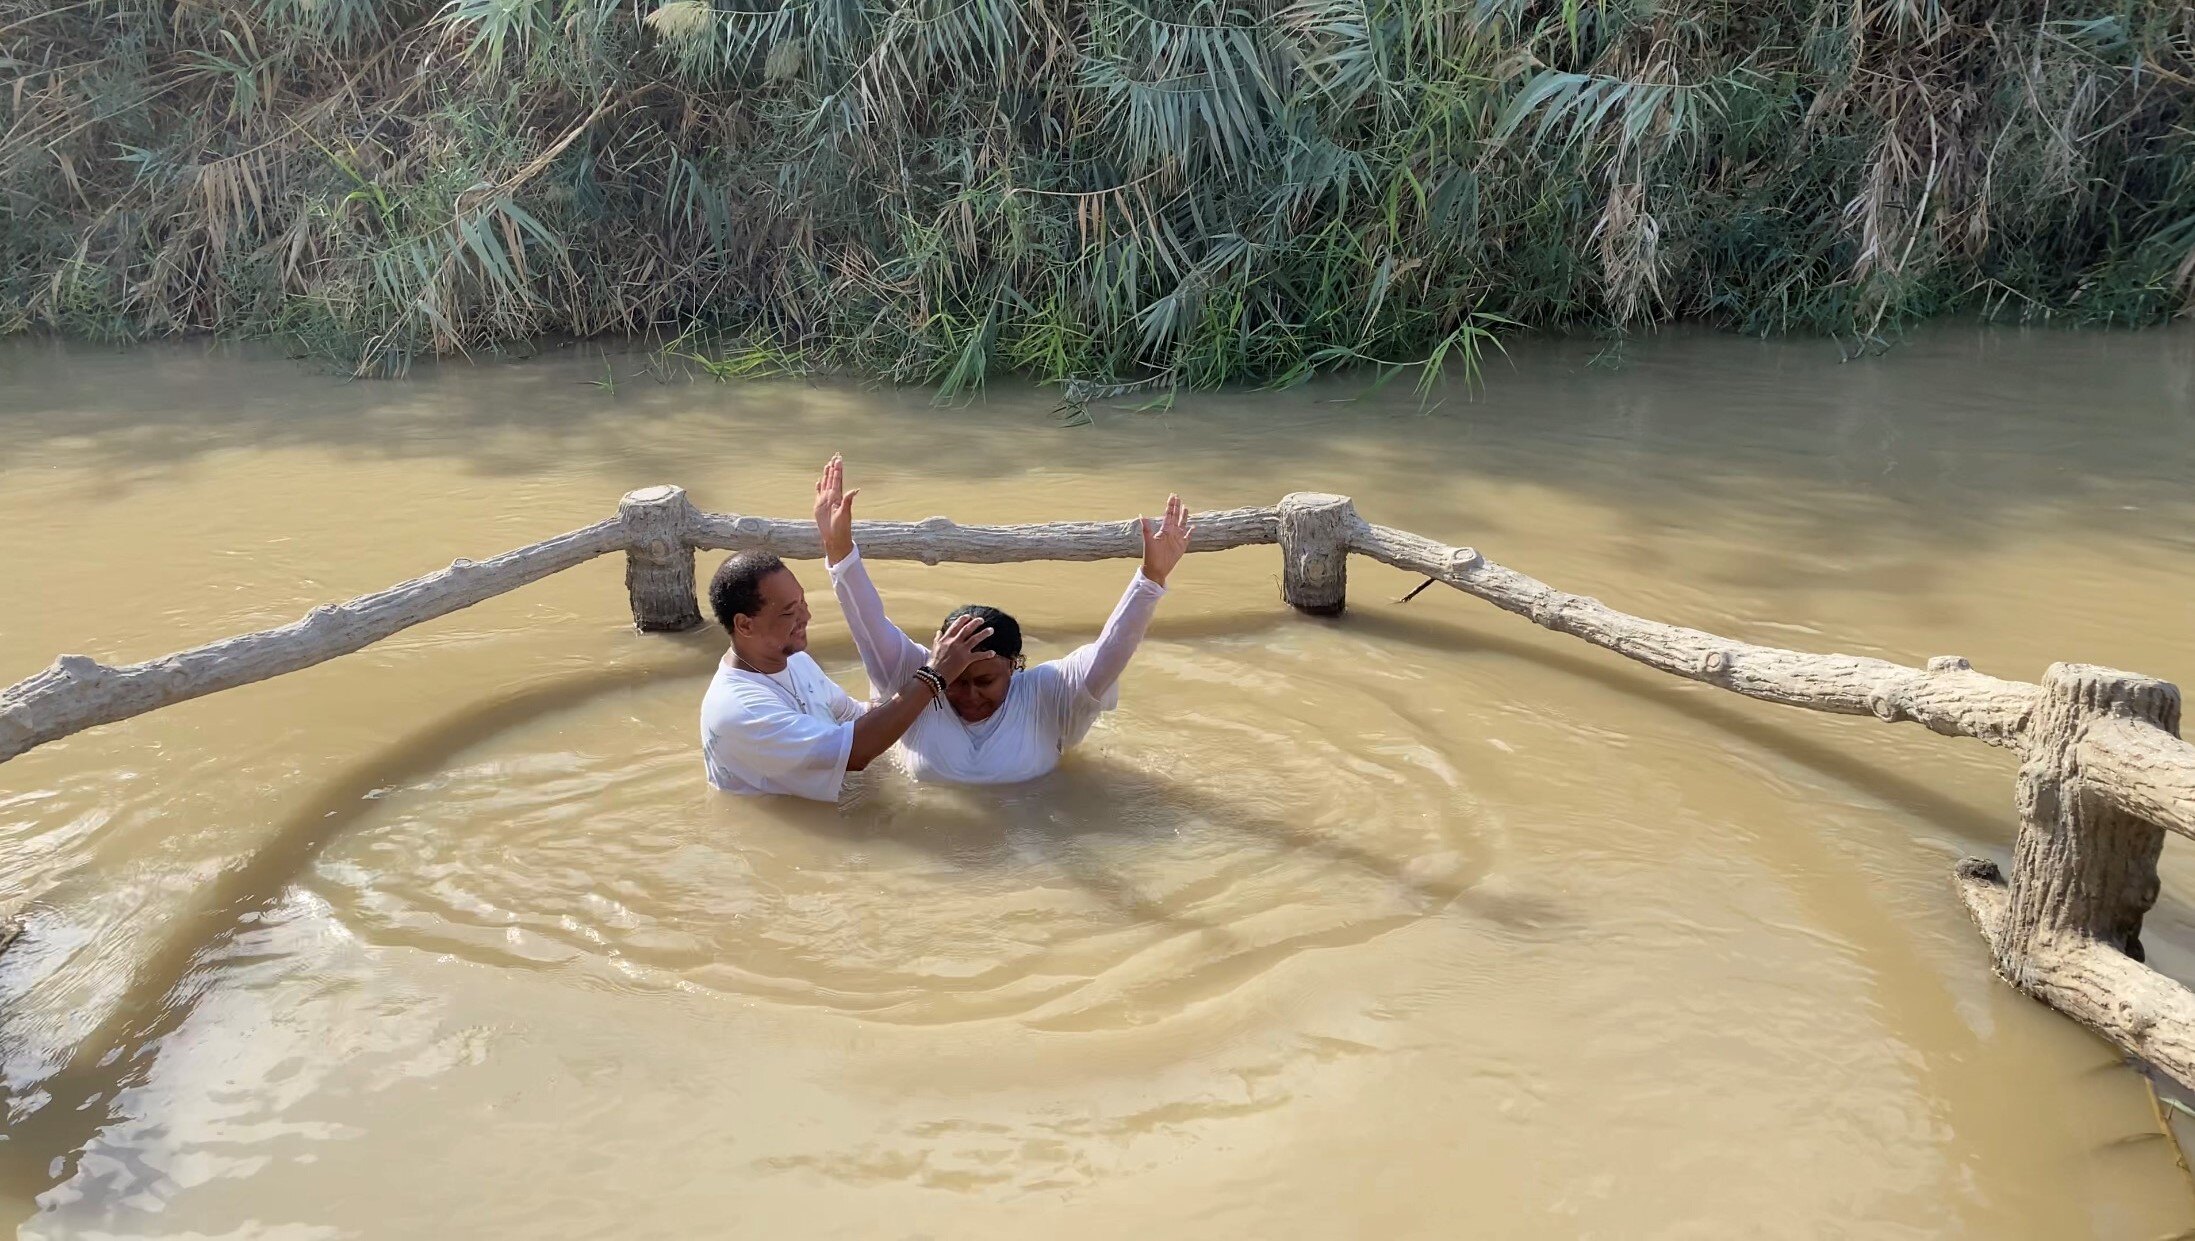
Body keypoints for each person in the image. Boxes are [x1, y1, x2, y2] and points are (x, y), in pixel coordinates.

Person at [812, 454, 1192, 784]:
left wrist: (1151, 580)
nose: (970, 696)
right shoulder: (912, 678)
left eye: (986, 680)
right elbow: (866, 621)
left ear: (1014, 666)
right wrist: (838, 550)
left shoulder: (1049, 693)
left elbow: (1112, 650)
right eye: (954, 681)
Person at [699, 547, 995, 800]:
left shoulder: (792, 659)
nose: (806, 617)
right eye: (789, 612)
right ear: (745, 625)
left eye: (803, 602)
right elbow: (855, 754)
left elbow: (853, 716)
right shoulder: (742, 711)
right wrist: (933, 676)